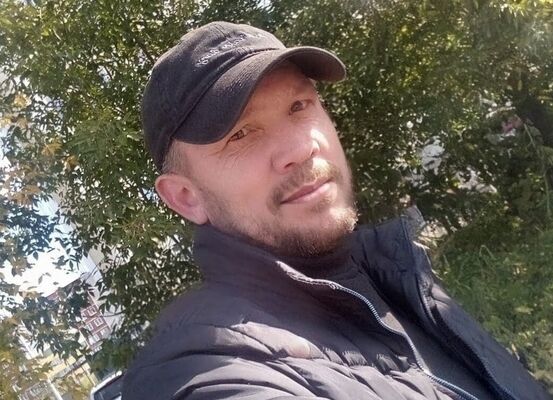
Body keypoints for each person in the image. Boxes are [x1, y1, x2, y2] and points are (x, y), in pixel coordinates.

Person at [122, 21, 550, 400]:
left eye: (298, 106)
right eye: (240, 134)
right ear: (186, 197)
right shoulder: (206, 368)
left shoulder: (397, 277)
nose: (300, 148)